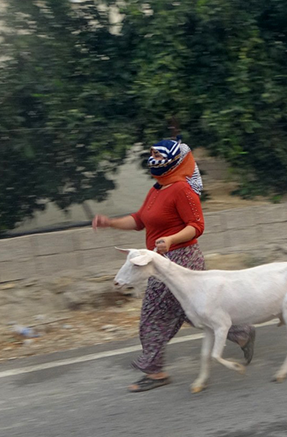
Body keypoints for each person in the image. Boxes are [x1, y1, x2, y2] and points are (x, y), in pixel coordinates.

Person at [92, 137, 255, 392]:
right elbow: (139, 220)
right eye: (152, 155)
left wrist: (171, 239)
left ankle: (154, 372)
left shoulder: (182, 189)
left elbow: (197, 226)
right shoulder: (157, 189)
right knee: (190, 311)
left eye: (158, 156)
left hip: (181, 260)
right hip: (160, 261)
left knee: (153, 316)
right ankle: (240, 332)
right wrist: (110, 223)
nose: (153, 160)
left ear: (173, 160)